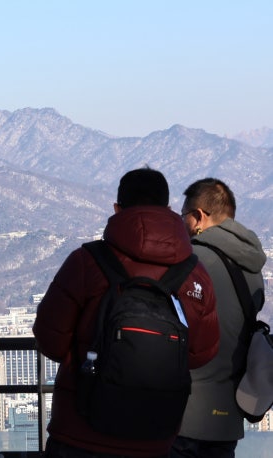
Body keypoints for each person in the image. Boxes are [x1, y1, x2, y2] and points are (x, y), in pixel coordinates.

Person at [33, 167, 220, 457]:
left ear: (118, 209)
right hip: (156, 432)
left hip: (80, 431)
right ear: (168, 209)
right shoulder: (194, 273)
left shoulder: (86, 262)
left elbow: (50, 339)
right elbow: (202, 353)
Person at [170, 178, 267, 458]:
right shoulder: (253, 269)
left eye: (184, 216)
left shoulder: (192, 261)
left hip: (185, 414)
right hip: (228, 417)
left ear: (199, 216)